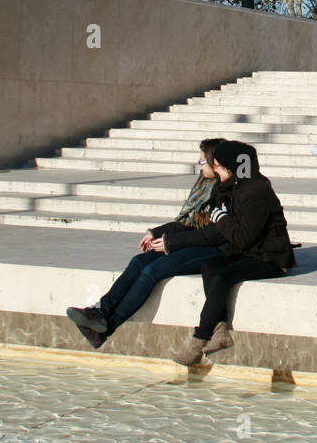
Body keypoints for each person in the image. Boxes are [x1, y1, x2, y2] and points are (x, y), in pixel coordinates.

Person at [66, 138, 228, 349]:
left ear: (215, 163)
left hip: (214, 249)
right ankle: (101, 312)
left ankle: (107, 326)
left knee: (153, 270)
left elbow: (214, 234)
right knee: (139, 261)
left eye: (202, 162)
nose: (200, 166)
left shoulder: (226, 191)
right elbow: (188, 223)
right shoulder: (204, 187)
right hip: (193, 242)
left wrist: (170, 242)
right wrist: (156, 233)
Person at [173, 140, 299, 366]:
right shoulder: (235, 187)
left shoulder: (256, 191)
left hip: (269, 257)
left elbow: (242, 236)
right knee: (209, 266)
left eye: (219, 167)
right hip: (249, 252)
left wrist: (221, 219)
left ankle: (198, 342)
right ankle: (220, 331)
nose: (216, 171)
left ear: (233, 167)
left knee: (223, 277)